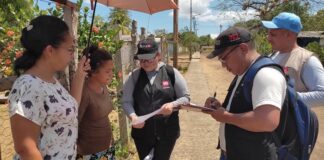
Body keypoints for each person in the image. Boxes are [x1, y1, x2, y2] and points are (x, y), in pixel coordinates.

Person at [8, 15, 90, 160]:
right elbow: (26, 148)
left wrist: (80, 74)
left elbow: (70, 107)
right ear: (50, 50)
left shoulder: (50, 81)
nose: (72, 56)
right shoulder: (28, 86)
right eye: (70, 50)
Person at [205, 27, 287, 160]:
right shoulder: (244, 72)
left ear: (243, 49)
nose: (223, 65)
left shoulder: (266, 74)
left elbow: (267, 121)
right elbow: (245, 107)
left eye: (224, 58)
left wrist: (225, 116)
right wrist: (220, 107)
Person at [122, 38, 190, 160]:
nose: (145, 63)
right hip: (142, 134)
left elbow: (185, 98)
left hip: (167, 132)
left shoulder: (171, 73)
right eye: (141, 60)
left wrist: (172, 104)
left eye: (148, 59)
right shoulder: (134, 76)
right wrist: (133, 117)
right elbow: (126, 101)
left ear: (158, 56)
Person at [262, 12, 324, 107]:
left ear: (288, 34)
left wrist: (284, 98)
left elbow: (322, 95)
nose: (268, 38)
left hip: (291, 121)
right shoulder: (272, 56)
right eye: (268, 34)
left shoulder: (307, 60)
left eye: (273, 34)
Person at [77, 46, 115, 160]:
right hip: (89, 153)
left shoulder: (103, 87)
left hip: (107, 149)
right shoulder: (84, 93)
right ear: (93, 72)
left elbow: (103, 118)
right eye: (107, 71)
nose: (111, 74)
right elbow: (73, 122)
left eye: (112, 70)